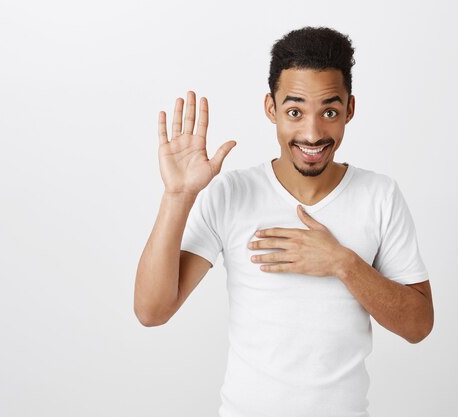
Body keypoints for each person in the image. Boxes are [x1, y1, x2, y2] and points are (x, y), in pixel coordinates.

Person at [134, 26, 434, 417]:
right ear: (271, 108)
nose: (312, 133)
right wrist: (178, 196)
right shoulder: (231, 193)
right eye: (295, 111)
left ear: (350, 109)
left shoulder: (380, 196)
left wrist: (343, 264)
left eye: (329, 111)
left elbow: (419, 325)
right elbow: (151, 311)